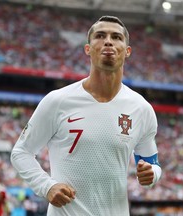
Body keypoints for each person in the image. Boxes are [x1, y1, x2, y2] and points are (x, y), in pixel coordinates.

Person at [10, 15, 162, 216]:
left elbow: (152, 164)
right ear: (88, 49)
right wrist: (46, 186)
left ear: (127, 52)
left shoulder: (141, 109)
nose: (108, 40)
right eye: (100, 35)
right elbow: (21, 152)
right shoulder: (58, 101)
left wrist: (152, 175)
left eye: (116, 37)